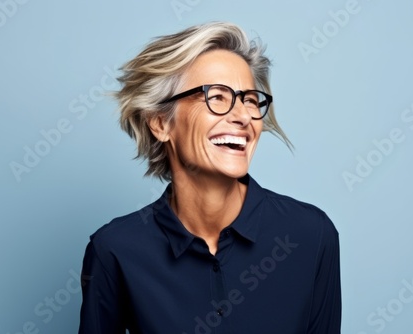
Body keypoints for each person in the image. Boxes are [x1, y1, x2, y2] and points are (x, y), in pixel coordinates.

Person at [78, 22, 341, 334]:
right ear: (161, 123)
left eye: (250, 99)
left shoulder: (311, 235)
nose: (244, 116)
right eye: (216, 97)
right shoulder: (115, 250)